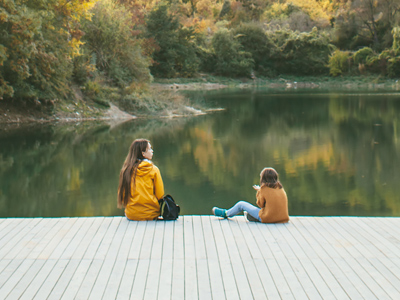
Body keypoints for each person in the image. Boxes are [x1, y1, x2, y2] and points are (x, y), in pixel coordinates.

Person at [212, 167, 289, 223]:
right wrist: (261, 190)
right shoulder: (280, 188)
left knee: (241, 204)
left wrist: (259, 192)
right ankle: (251, 216)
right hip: (283, 218)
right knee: (253, 213)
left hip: (268, 218)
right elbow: (271, 196)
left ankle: (225, 213)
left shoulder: (264, 189)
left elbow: (260, 204)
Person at [117, 139, 164, 221]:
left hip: (131, 214)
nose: (152, 151)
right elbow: (160, 195)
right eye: (149, 149)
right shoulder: (153, 170)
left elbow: (123, 195)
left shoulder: (126, 170)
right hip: (151, 213)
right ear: (143, 153)